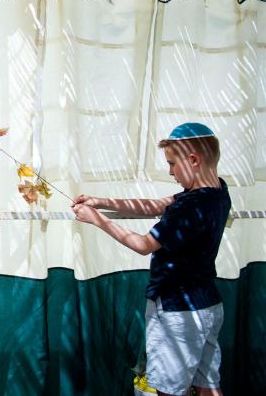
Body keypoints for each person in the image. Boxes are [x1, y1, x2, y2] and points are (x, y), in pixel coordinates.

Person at [72, 123, 231, 396]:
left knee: (168, 390)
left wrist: (96, 219)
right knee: (208, 386)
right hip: (209, 307)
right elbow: (158, 205)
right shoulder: (217, 192)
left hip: (178, 312)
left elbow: (144, 245)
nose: (170, 172)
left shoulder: (188, 207)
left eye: (172, 164)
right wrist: (103, 202)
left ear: (193, 160)